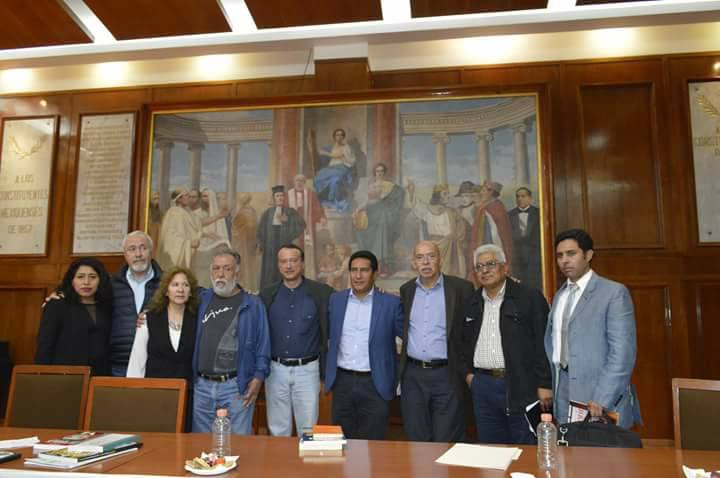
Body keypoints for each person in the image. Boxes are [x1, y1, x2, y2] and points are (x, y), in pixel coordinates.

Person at [455, 244, 552, 444]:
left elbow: (543, 343)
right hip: (483, 385)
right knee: (490, 448)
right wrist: (469, 376)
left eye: (491, 264)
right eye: (479, 267)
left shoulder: (528, 298)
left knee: (525, 447)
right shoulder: (470, 302)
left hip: (521, 384)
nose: (485, 270)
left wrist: (544, 384)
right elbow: (460, 343)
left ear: (505, 267)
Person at [545, 229, 641, 428]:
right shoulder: (560, 295)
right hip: (562, 389)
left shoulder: (613, 293)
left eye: (571, 254)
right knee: (568, 445)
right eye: (560, 255)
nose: (564, 260)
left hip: (599, 395)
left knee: (601, 449)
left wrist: (603, 397)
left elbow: (622, 353)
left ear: (588, 255)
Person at [398, 241, 474, 442]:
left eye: (431, 256)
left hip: (447, 373)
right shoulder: (407, 290)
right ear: (414, 262)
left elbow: (472, 330)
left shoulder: (461, 289)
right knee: (416, 438)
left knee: (446, 439)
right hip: (413, 375)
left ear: (440, 259)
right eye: (420, 257)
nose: (425, 262)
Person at [324, 250, 403, 440]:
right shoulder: (336, 300)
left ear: (375, 274)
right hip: (342, 382)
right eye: (354, 270)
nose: (358, 276)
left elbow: (409, 338)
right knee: (342, 443)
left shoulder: (390, 304)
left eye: (364, 270)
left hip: (375, 383)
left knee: (374, 445)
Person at [192, 249, 270, 435]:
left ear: (237, 272)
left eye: (227, 269)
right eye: (216, 268)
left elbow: (263, 343)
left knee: (238, 444)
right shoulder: (201, 300)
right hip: (202, 386)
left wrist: (258, 378)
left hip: (236, 386)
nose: (220, 274)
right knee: (200, 444)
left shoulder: (252, 303)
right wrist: (146, 315)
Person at [259, 244, 334, 436]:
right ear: (278, 265)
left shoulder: (322, 293)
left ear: (302, 263)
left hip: (307, 370)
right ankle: (281, 458)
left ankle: (305, 458)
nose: (289, 265)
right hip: (275, 371)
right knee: (278, 429)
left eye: (293, 260)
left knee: (308, 429)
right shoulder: (267, 295)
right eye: (284, 261)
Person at [127, 267, 198, 431]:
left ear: (191, 291)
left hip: (188, 394)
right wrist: (133, 393)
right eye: (175, 285)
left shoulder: (198, 319)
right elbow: (138, 359)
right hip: (155, 392)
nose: (180, 289)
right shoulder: (148, 318)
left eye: (185, 285)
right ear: (166, 290)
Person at [35, 258, 113, 376]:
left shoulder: (107, 306)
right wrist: (42, 375)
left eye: (92, 277)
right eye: (80, 277)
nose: (86, 282)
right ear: (71, 280)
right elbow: (45, 345)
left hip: (99, 375)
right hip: (65, 376)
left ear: (100, 280)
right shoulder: (57, 305)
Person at [110, 231, 164, 376]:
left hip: (153, 364)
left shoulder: (167, 283)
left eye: (143, 248)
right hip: (118, 364)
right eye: (132, 249)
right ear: (125, 254)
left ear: (152, 252)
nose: (138, 254)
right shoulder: (111, 284)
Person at [408, 182, 468, 278]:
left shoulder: (450, 210)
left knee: (449, 273)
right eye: (445, 194)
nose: (448, 196)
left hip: (450, 245)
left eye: (448, 193)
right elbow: (416, 205)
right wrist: (411, 193)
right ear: (437, 195)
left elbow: (460, 224)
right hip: (435, 245)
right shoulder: (428, 210)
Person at [356, 163, 405, 276]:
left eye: (382, 171)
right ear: (375, 172)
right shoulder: (371, 186)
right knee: (364, 234)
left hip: (383, 216)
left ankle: (384, 268)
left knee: (382, 238)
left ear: (384, 172)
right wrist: (358, 209)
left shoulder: (390, 186)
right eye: (377, 171)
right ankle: (373, 266)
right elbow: (367, 201)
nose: (379, 173)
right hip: (372, 215)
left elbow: (397, 196)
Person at [257, 185, 306, 290]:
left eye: (282, 196)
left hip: (284, 247)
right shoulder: (267, 213)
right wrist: (261, 244)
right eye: (277, 196)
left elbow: (302, 225)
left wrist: (288, 222)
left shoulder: (290, 212)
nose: (280, 198)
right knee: (269, 271)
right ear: (274, 198)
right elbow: (261, 230)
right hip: (270, 249)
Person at [191, 188, 232, 288]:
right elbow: (195, 228)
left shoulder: (218, 214)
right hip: (201, 247)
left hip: (214, 247)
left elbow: (221, 232)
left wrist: (218, 239)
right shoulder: (197, 213)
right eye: (202, 196)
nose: (203, 199)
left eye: (206, 196)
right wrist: (207, 235)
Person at [472, 181, 513, 276]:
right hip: (484, 242)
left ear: (491, 192)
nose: (481, 193)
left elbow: (499, 230)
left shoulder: (496, 206)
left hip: (493, 242)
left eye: (483, 190)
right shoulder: (484, 206)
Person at [288, 174, 327, 275]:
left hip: (307, 226)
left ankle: (308, 272)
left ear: (304, 183)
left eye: (301, 181)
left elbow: (317, 207)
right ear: (294, 182)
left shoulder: (310, 194)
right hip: (293, 228)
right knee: (293, 249)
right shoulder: (288, 195)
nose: (299, 183)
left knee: (307, 250)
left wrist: (321, 217)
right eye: (297, 181)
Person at [312, 128, 357, 213]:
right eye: (337, 135)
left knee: (335, 180)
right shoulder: (332, 147)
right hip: (331, 168)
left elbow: (339, 156)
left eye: (341, 135)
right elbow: (324, 158)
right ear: (334, 137)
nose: (339, 136)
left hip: (341, 168)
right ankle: (325, 199)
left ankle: (334, 200)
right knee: (318, 178)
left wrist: (325, 153)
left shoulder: (346, 147)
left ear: (343, 137)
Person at [156, 189, 202, 271]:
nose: (189, 198)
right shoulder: (173, 213)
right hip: (176, 255)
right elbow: (170, 237)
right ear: (179, 199)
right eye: (186, 196)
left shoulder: (187, 213)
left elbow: (195, 228)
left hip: (190, 253)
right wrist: (189, 243)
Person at [508, 187, 541, 290]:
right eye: (518, 196)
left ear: (530, 198)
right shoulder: (510, 215)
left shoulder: (539, 213)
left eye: (523, 196)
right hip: (517, 257)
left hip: (534, 257)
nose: (520, 199)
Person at [231, 192, 258, 292]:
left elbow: (250, 226)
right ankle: (246, 285)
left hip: (245, 242)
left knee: (244, 264)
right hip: (245, 242)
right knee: (244, 264)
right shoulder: (251, 211)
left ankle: (246, 286)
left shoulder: (243, 212)